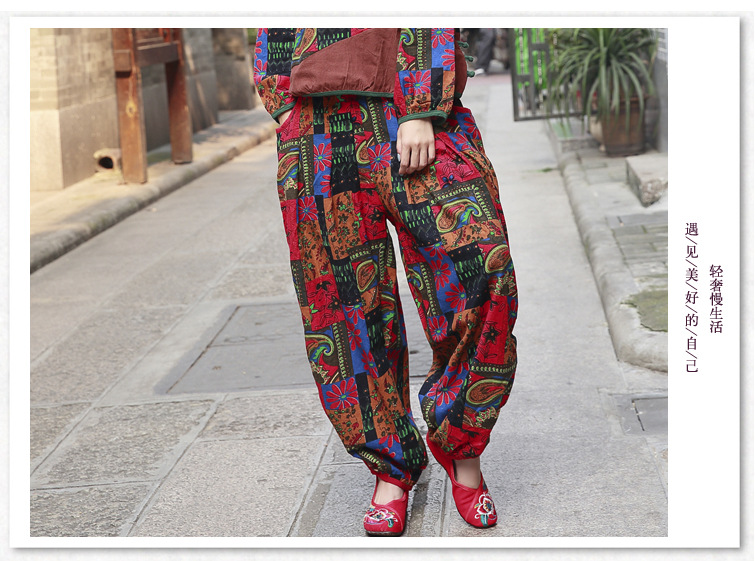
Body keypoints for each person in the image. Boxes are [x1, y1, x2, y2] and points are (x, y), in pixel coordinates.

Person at [253, 27, 517, 536]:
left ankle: (460, 445)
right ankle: (390, 468)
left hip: (416, 111)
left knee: (484, 269)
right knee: (344, 304)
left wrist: (420, 106)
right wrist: (281, 101)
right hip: (316, 125)